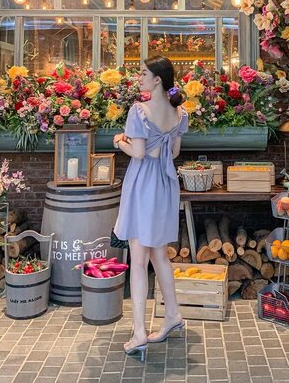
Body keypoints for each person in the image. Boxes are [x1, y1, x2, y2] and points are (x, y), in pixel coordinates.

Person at [113, 56, 188, 360]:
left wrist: (120, 141)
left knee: (139, 258)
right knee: (159, 254)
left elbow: (139, 152)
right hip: (165, 183)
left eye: (143, 73)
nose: (139, 77)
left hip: (143, 184)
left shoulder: (139, 111)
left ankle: (139, 333)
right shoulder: (179, 111)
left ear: (158, 79)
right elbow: (174, 150)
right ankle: (173, 315)